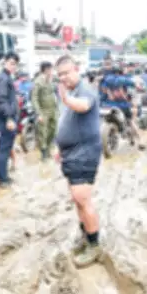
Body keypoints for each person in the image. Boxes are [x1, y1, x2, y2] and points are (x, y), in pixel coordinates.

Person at [54, 55, 103, 267]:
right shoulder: (71, 92)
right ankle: (86, 234)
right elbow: (66, 120)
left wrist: (65, 99)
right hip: (70, 153)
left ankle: (94, 245)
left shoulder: (85, 90)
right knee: (77, 199)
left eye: (66, 73)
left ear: (76, 69)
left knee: (83, 199)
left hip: (85, 153)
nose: (63, 78)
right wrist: (59, 147)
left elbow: (82, 106)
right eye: (60, 75)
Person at [0, 52, 21, 187]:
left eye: (15, 64)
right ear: (5, 62)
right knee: (4, 149)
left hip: (7, 117)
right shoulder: (3, 78)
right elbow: (2, 100)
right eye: (11, 63)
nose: (13, 66)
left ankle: (2, 176)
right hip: (5, 119)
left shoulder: (6, 77)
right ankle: (2, 179)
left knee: (5, 148)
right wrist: (9, 118)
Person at [31, 62, 58, 161]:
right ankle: (44, 153)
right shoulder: (38, 81)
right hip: (43, 111)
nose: (52, 71)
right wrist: (38, 113)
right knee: (43, 132)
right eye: (50, 69)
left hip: (53, 110)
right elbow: (34, 98)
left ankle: (48, 147)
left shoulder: (51, 80)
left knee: (53, 130)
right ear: (45, 70)